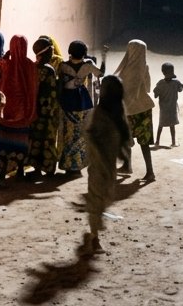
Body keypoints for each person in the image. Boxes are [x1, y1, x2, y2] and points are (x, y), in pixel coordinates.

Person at [79, 73, 131, 256]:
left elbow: (123, 133)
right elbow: (90, 135)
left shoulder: (117, 109)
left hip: (108, 164)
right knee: (96, 199)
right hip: (99, 164)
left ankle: (94, 226)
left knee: (106, 196)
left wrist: (123, 155)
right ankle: (94, 238)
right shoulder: (99, 113)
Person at [0, 34, 39, 183]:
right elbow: (33, 88)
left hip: (6, 111)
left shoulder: (6, 64)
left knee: (4, 141)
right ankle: (20, 169)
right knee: (21, 141)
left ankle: (2, 170)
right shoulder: (30, 65)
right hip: (23, 112)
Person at [57, 41, 105, 175]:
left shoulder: (63, 66)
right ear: (84, 53)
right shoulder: (88, 65)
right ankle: (77, 165)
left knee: (68, 133)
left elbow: (59, 80)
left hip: (67, 101)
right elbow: (101, 74)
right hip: (83, 101)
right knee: (80, 134)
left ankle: (67, 164)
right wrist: (104, 57)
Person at [113, 38, 155, 182]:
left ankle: (127, 165)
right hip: (144, 109)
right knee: (144, 143)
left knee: (125, 138)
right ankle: (150, 172)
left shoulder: (124, 68)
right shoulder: (144, 67)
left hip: (127, 110)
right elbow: (148, 87)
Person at [28, 35, 61, 177]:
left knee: (35, 139)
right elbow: (52, 90)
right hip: (48, 111)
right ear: (45, 52)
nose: (53, 53)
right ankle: (48, 168)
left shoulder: (33, 67)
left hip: (35, 110)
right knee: (48, 139)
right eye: (51, 50)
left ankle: (35, 168)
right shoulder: (49, 70)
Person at [154, 61, 183, 147]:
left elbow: (155, 94)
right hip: (172, 108)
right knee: (172, 125)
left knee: (161, 125)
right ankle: (173, 142)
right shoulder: (176, 83)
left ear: (163, 72)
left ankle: (157, 141)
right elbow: (181, 89)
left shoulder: (160, 83)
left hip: (163, 108)